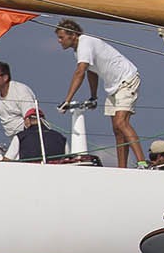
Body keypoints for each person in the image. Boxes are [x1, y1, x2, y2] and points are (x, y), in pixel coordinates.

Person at [55, 19, 144, 168]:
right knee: (116, 128)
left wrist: (67, 100)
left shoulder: (84, 43)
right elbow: (92, 72)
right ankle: (122, 168)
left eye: (61, 37)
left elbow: (80, 72)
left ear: (73, 35)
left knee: (121, 122)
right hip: (113, 86)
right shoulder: (78, 51)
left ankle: (143, 162)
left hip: (126, 80)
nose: (59, 41)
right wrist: (93, 96)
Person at [0, 61, 37, 140]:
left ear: (5, 77)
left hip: (30, 135)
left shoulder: (21, 91)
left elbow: (32, 119)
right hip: (13, 138)